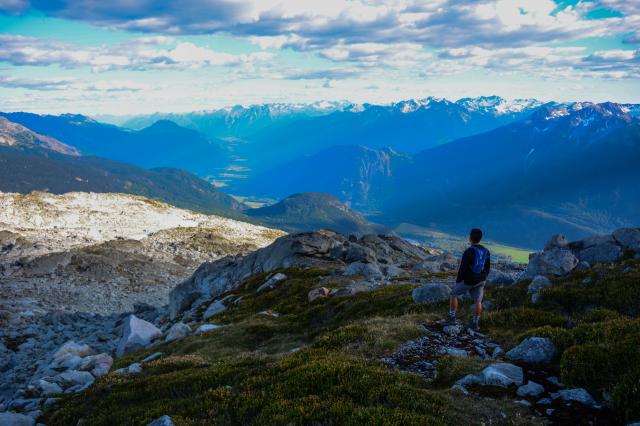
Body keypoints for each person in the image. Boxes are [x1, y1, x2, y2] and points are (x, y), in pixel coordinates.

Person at [448, 228, 490, 331]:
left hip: (470, 280)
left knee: (454, 294)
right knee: (478, 301)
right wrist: (483, 277)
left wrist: (458, 281)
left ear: (470, 238)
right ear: (480, 239)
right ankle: (475, 324)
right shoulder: (486, 251)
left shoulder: (468, 251)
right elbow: (487, 267)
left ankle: (452, 317)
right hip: (481, 280)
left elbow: (463, 268)